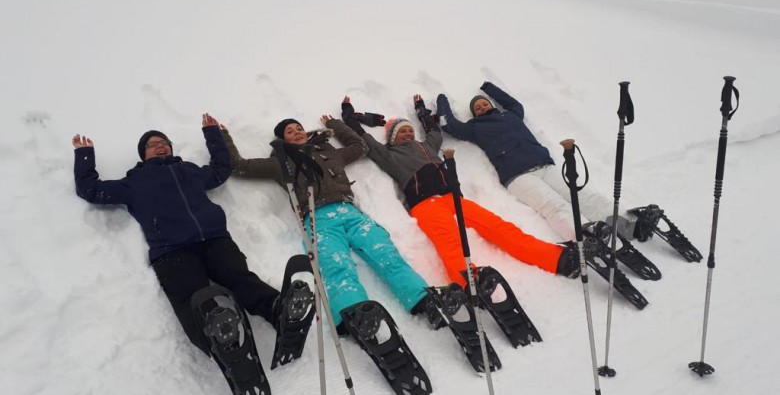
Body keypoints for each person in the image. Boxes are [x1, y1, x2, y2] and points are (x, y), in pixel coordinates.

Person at [71, 114, 308, 360]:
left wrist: (213, 134)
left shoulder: (189, 170)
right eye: (153, 144)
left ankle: (278, 310)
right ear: (144, 154)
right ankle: (217, 340)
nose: (160, 146)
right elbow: (91, 190)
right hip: (172, 251)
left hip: (215, 239)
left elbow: (221, 169)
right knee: (192, 297)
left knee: (240, 278)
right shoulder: (134, 182)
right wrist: (84, 155)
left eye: (164, 142)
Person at [220, 112, 431, 330]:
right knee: (337, 266)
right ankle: (352, 312)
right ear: (283, 139)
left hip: (351, 213)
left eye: (299, 128)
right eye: (290, 131)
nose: (297, 132)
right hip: (318, 220)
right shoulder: (280, 162)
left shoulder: (329, 152)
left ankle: (421, 298)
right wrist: (223, 137)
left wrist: (334, 124)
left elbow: (359, 146)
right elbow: (240, 166)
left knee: (386, 253)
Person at [341, 95, 579, 285]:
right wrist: (349, 116)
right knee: (450, 241)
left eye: (410, 130)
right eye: (402, 131)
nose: (408, 133)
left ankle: (555, 258)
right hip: (425, 204)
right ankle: (469, 281)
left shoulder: (427, 146)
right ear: (392, 136)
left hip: (452, 197)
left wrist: (422, 111)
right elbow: (363, 139)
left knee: (499, 227)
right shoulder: (388, 154)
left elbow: (434, 131)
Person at [435, 81, 636, 242]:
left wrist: (489, 88)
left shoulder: (512, 115)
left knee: (581, 194)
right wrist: (441, 99)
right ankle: (585, 237)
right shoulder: (474, 128)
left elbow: (514, 104)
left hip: (544, 165)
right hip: (518, 176)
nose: (481, 107)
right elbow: (448, 124)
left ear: (492, 104)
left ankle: (626, 223)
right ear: (474, 114)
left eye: (484, 103)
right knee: (553, 205)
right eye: (477, 108)